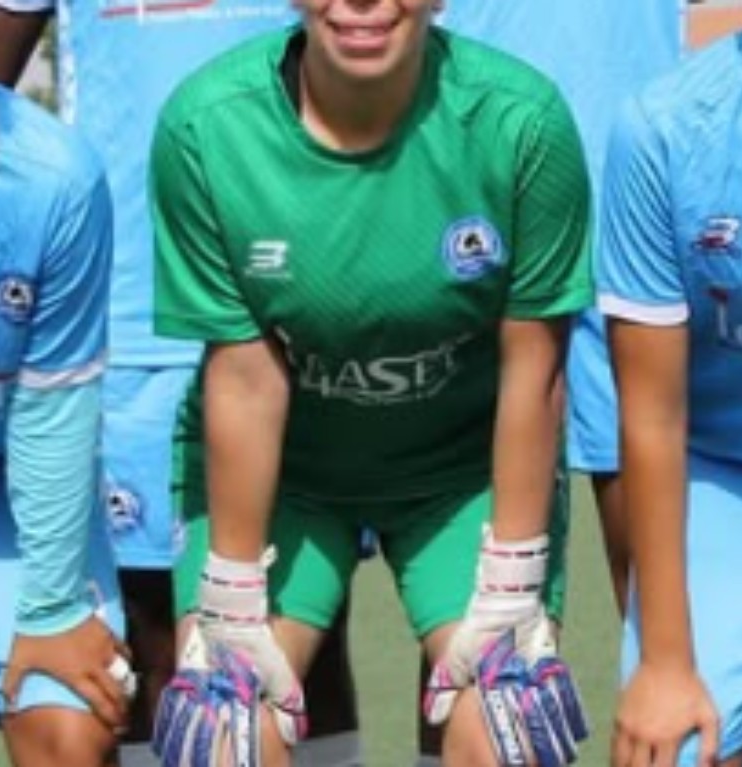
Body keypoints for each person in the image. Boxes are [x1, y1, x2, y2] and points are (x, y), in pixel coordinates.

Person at [150, 0, 593, 764]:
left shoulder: (521, 120)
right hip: (284, 477)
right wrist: (229, 600)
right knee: (225, 735)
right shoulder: (205, 127)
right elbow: (246, 380)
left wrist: (513, 585)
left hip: (462, 474)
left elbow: (535, 367)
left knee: (507, 726)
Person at [0, 3, 363, 764]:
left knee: (293, 622)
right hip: (127, 317)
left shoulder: (50, 181)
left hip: (286, 295)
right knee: (148, 628)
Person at [438, 1, 684, 616]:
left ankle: (664, 664)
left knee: (642, 464)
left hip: (626, 188)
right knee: (469, 565)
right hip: (470, 193)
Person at [598, 2, 742, 764]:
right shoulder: (665, 130)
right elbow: (652, 415)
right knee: (668, 741)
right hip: (724, 478)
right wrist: (666, 665)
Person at [0, 3, 134, 763]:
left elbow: (53, 413)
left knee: (71, 719)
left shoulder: (55, 180)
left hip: (3, 482)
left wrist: (47, 611)